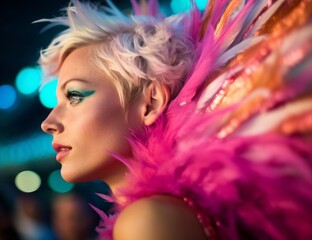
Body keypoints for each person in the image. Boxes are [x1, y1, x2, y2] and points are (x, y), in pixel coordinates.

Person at [40, 0, 312, 239]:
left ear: (151, 103)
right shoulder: (167, 212)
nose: (48, 122)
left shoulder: (147, 221)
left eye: (74, 95)